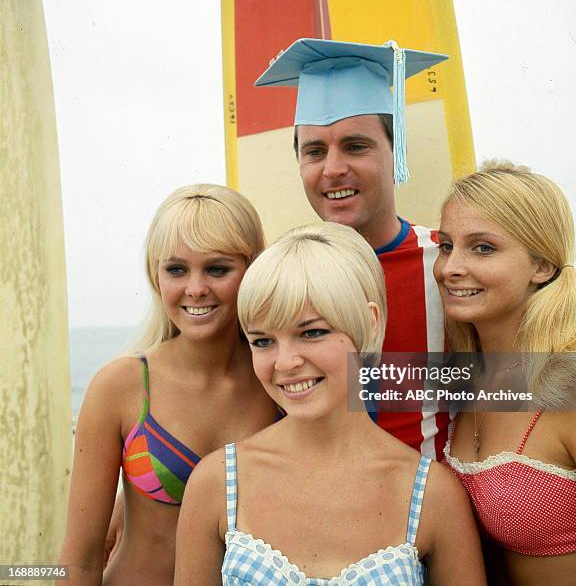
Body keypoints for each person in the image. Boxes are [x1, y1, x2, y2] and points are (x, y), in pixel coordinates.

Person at [174, 222, 486, 585]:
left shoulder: (433, 493)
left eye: (312, 333)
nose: (285, 363)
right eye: (262, 342)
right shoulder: (217, 483)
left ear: (368, 325)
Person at [59, 184, 279, 585]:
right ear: (155, 275)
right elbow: (79, 558)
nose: (195, 288)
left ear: (253, 270)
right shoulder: (121, 387)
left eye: (217, 268)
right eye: (177, 269)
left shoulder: (282, 383)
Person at [255, 38, 451, 458]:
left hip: (432, 508)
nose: (333, 168)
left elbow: (511, 390)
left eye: (355, 146)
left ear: (395, 147)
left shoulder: (449, 265)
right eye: (314, 151)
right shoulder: (278, 279)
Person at [436, 162, 576, 585]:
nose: (451, 267)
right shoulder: (463, 379)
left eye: (483, 248)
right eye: (446, 245)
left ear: (541, 265)